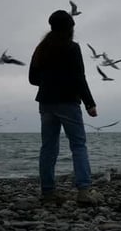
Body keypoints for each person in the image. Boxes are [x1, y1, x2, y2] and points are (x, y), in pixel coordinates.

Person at [29, 10, 99, 206]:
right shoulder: (72, 48)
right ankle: (84, 192)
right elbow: (79, 78)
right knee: (78, 145)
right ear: (69, 28)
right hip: (68, 102)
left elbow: (32, 79)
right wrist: (90, 104)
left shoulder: (41, 48)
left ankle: (48, 193)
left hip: (46, 102)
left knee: (48, 147)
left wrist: (50, 81)